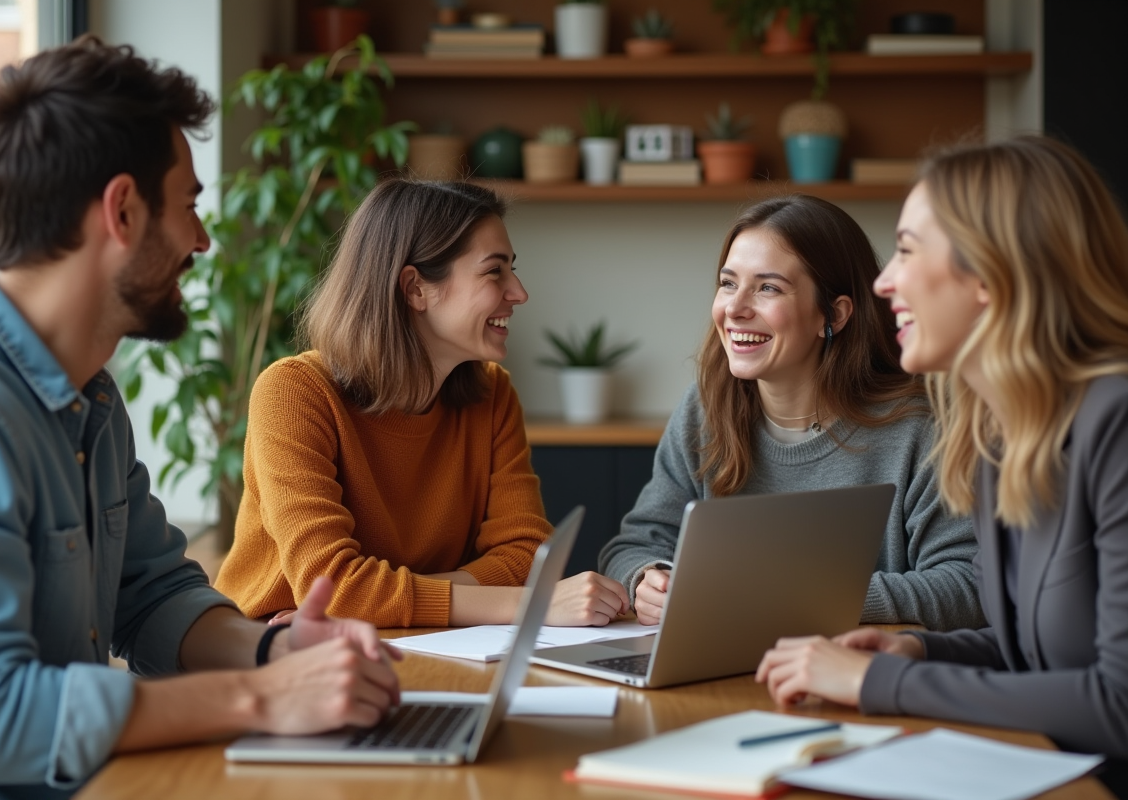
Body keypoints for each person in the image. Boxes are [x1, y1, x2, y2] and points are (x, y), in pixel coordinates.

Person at [0, 37, 404, 800]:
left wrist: (275, 654)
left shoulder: (90, 395)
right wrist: (263, 700)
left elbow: (150, 598)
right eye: (189, 207)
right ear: (122, 210)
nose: (204, 240)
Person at [755, 137, 1128, 793]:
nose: (882, 282)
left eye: (905, 249)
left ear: (989, 274)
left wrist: (880, 682)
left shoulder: (1115, 423)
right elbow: (1034, 655)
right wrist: (922, 649)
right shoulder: (992, 433)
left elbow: (1118, 702)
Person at [214, 178, 629, 628]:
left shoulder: (492, 395)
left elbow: (527, 558)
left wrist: (379, 602)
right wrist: (529, 605)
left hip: (419, 642)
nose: (519, 292)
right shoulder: (294, 393)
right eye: (495, 271)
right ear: (415, 289)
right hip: (268, 655)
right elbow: (333, 588)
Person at [599, 195, 983, 631]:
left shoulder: (921, 427)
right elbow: (632, 545)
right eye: (728, 283)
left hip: (857, 677)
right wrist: (648, 579)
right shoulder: (703, 409)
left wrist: (788, 600)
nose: (735, 309)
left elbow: (966, 586)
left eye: (768, 288)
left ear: (833, 314)